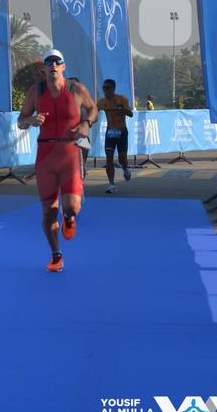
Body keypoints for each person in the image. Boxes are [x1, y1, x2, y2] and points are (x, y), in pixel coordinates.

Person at [17, 49, 97, 273]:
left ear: (63, 66)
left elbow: (93, 109)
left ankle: (69, 217)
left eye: (57, 61)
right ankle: (56, 256)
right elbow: (20, 121)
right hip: (45, 155)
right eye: (48, 62)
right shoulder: (35, 92)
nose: (53, 64)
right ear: (44, 68)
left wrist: (86, 123)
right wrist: (31, 120)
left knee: (71, 206)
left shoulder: (76, 89)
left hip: (70, 152)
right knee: (48, 212)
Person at [97, 78, 134, 193]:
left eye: (107, 88)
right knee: (109, 158)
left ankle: (125, 169)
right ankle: (111, 184)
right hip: (110, 132)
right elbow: (93, 112)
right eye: (103, 88)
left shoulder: (122, 99)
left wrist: (121, 108)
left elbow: (130, 114)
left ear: (113, 89)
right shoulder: (102, 102)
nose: (105, 90)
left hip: (122, 132)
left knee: (122, 159)